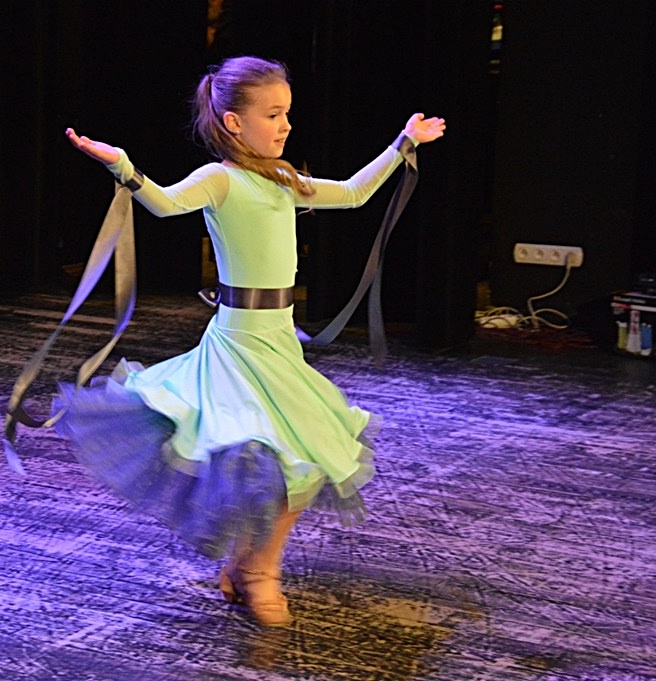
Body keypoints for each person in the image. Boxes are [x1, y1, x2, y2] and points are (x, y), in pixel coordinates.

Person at [58, 55, 445, 627]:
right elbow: (164, 203)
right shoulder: (220, 179)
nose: (285, 124)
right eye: (273, 114)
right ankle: (260, 570)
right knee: (279, 462)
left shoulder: (282, 180)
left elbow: (354, 194)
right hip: (239, 345)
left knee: (308, 460)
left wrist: (403, 144)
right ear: (235, 122)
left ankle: (247, 565)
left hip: (278, 341)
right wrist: (122, 165)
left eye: (287, 113)